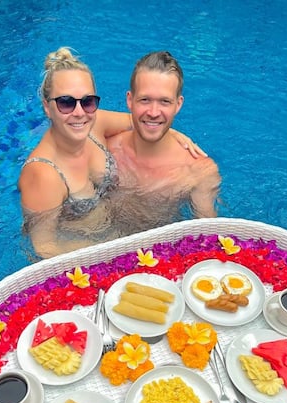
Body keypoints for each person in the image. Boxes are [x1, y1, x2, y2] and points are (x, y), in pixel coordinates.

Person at [18, 47, 203, 259]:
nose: (79, 113)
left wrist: (174, 133)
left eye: (87, 102)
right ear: (46, 107)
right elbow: (45, 248)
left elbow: (140, 121)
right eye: (66, 103)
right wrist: (121, 251)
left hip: (122, 232)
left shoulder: (95, 123)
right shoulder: (43, 174)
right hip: (92, 254)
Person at [107, 51, 221, 232]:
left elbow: (207, 235)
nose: (153, 112)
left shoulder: (199, 170)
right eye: (145, 100)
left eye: (164, 102)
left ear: (178, 104)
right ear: (130, 100)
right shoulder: (106, 151)